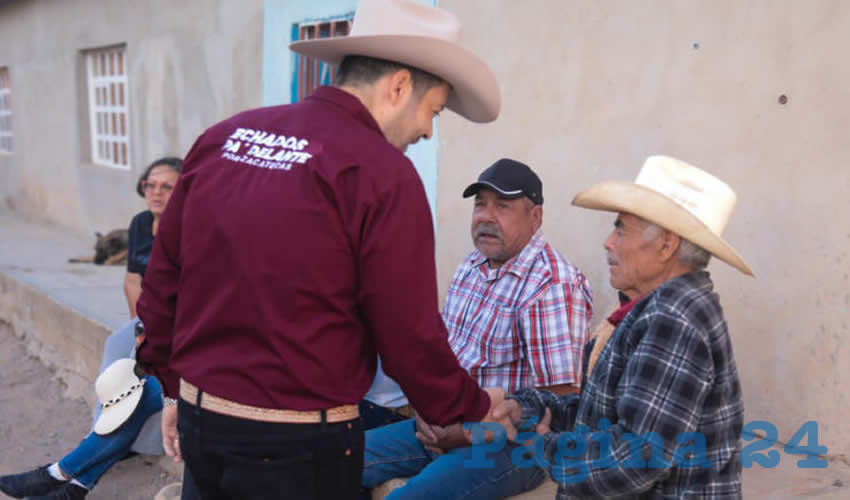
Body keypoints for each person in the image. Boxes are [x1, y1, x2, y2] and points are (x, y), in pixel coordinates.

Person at [135, 0, 505, 498]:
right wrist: (470, 408)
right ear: (398, 87)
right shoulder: (382, 173)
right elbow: (407, 333)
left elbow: (162, 283)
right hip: (298, 445)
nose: (427, 131)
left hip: (204, 420)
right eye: (433, 110)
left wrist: (172, 387)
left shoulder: (224, 138)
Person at [490, 155, 752, 499]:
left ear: (666, 244)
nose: (609, 242)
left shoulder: (674, 319)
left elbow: (635, 459)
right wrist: (528, 408)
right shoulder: (655, 308)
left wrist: (544, 447)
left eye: (621, 229)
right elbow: (602, 412)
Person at [362, 158, 593, 499]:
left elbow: (561, 400)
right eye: (480, 204)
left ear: (535, 217)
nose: (486, 216)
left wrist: (467, 432)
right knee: (331, 460)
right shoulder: (472, 265)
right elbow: (442, 354)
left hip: (512, 445)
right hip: (445, 421)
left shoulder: (551, 285)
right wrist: (429, 410)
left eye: (502, 206)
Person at [0, 158, 185, 500]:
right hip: (151, 323)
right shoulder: (142, 224)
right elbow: (133, 281)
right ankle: (75, 481)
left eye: (167, 186)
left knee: (140, 395)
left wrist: (155, 337)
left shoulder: (191, 232)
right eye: (150, 185)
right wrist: (141, 329)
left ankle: (61, 475)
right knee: (119, 372)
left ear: (184, 190)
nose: (156, 192)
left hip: (181, 332)